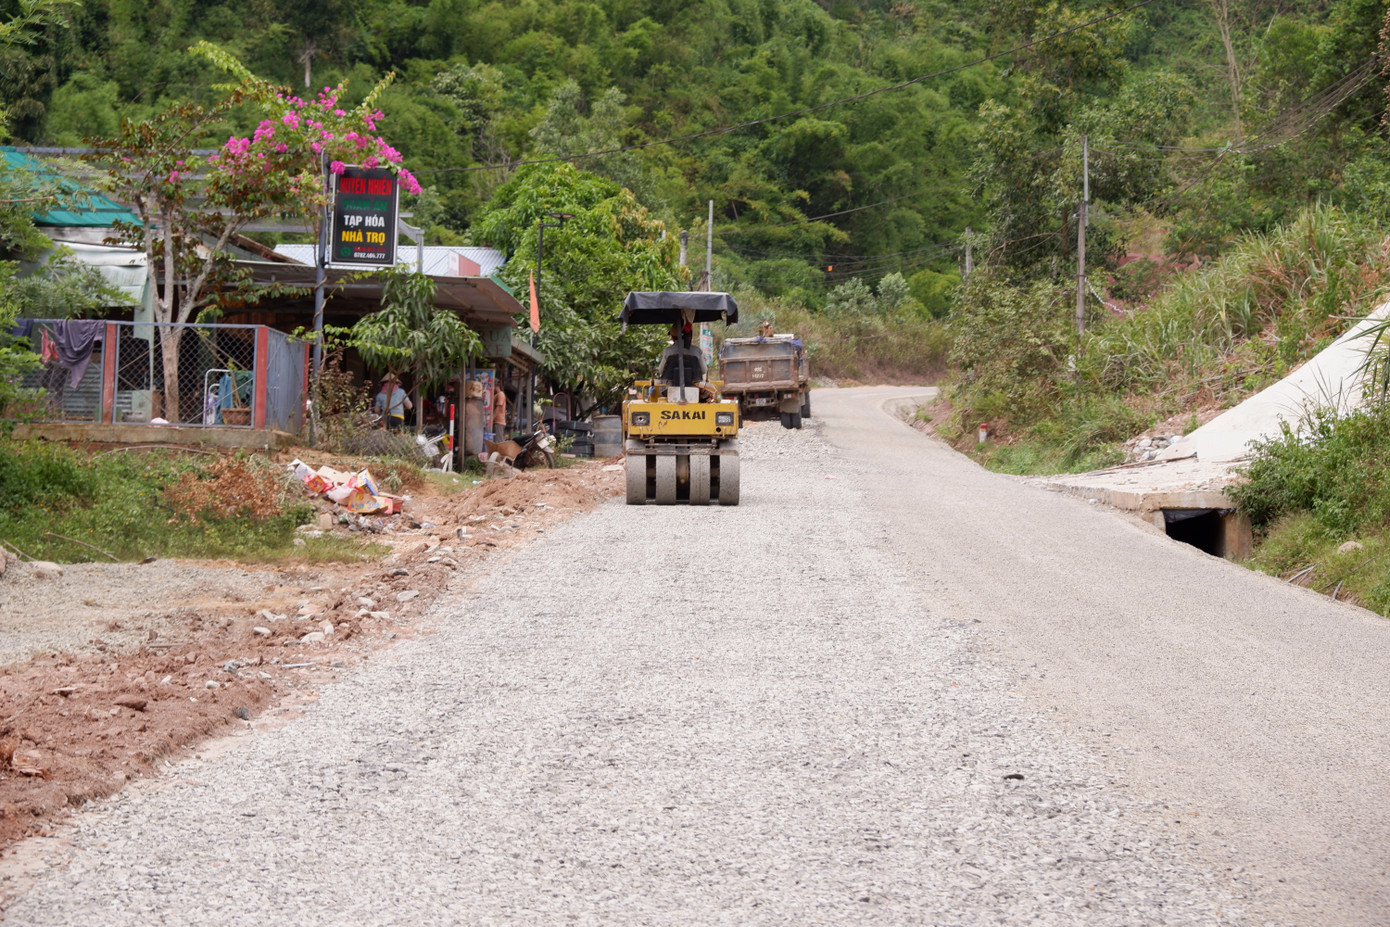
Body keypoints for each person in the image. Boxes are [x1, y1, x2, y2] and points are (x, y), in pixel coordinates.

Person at [657, 322, 706, 387]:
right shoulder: (697, 351)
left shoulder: (667, 351)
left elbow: (661, 371)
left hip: (670, 388)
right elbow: (704, 370)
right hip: (694, 387)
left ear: (673, 337)